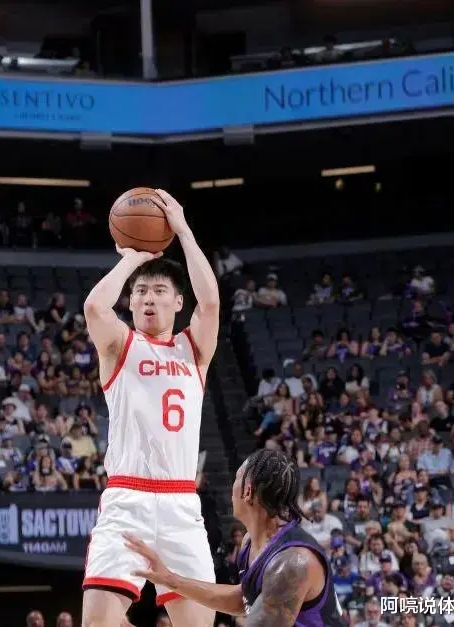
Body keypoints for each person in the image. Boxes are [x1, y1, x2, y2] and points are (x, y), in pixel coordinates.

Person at [81, 189, 220, 627]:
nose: (147, 298)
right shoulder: (120, 345)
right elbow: (94, 306)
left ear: (178, 302)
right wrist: (132, 259)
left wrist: (183, 231)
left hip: (181, 504)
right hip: (127, 500)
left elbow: (211, 303)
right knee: (97, 624)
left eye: (159, 290)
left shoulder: (193, 350)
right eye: (140, 291)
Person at [124, 449, 347, 627]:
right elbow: (244, 598)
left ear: (247, 491)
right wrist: (171, 580)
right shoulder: (251, 542)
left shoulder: (292, 564)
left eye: (236, 478)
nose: (232, 488)